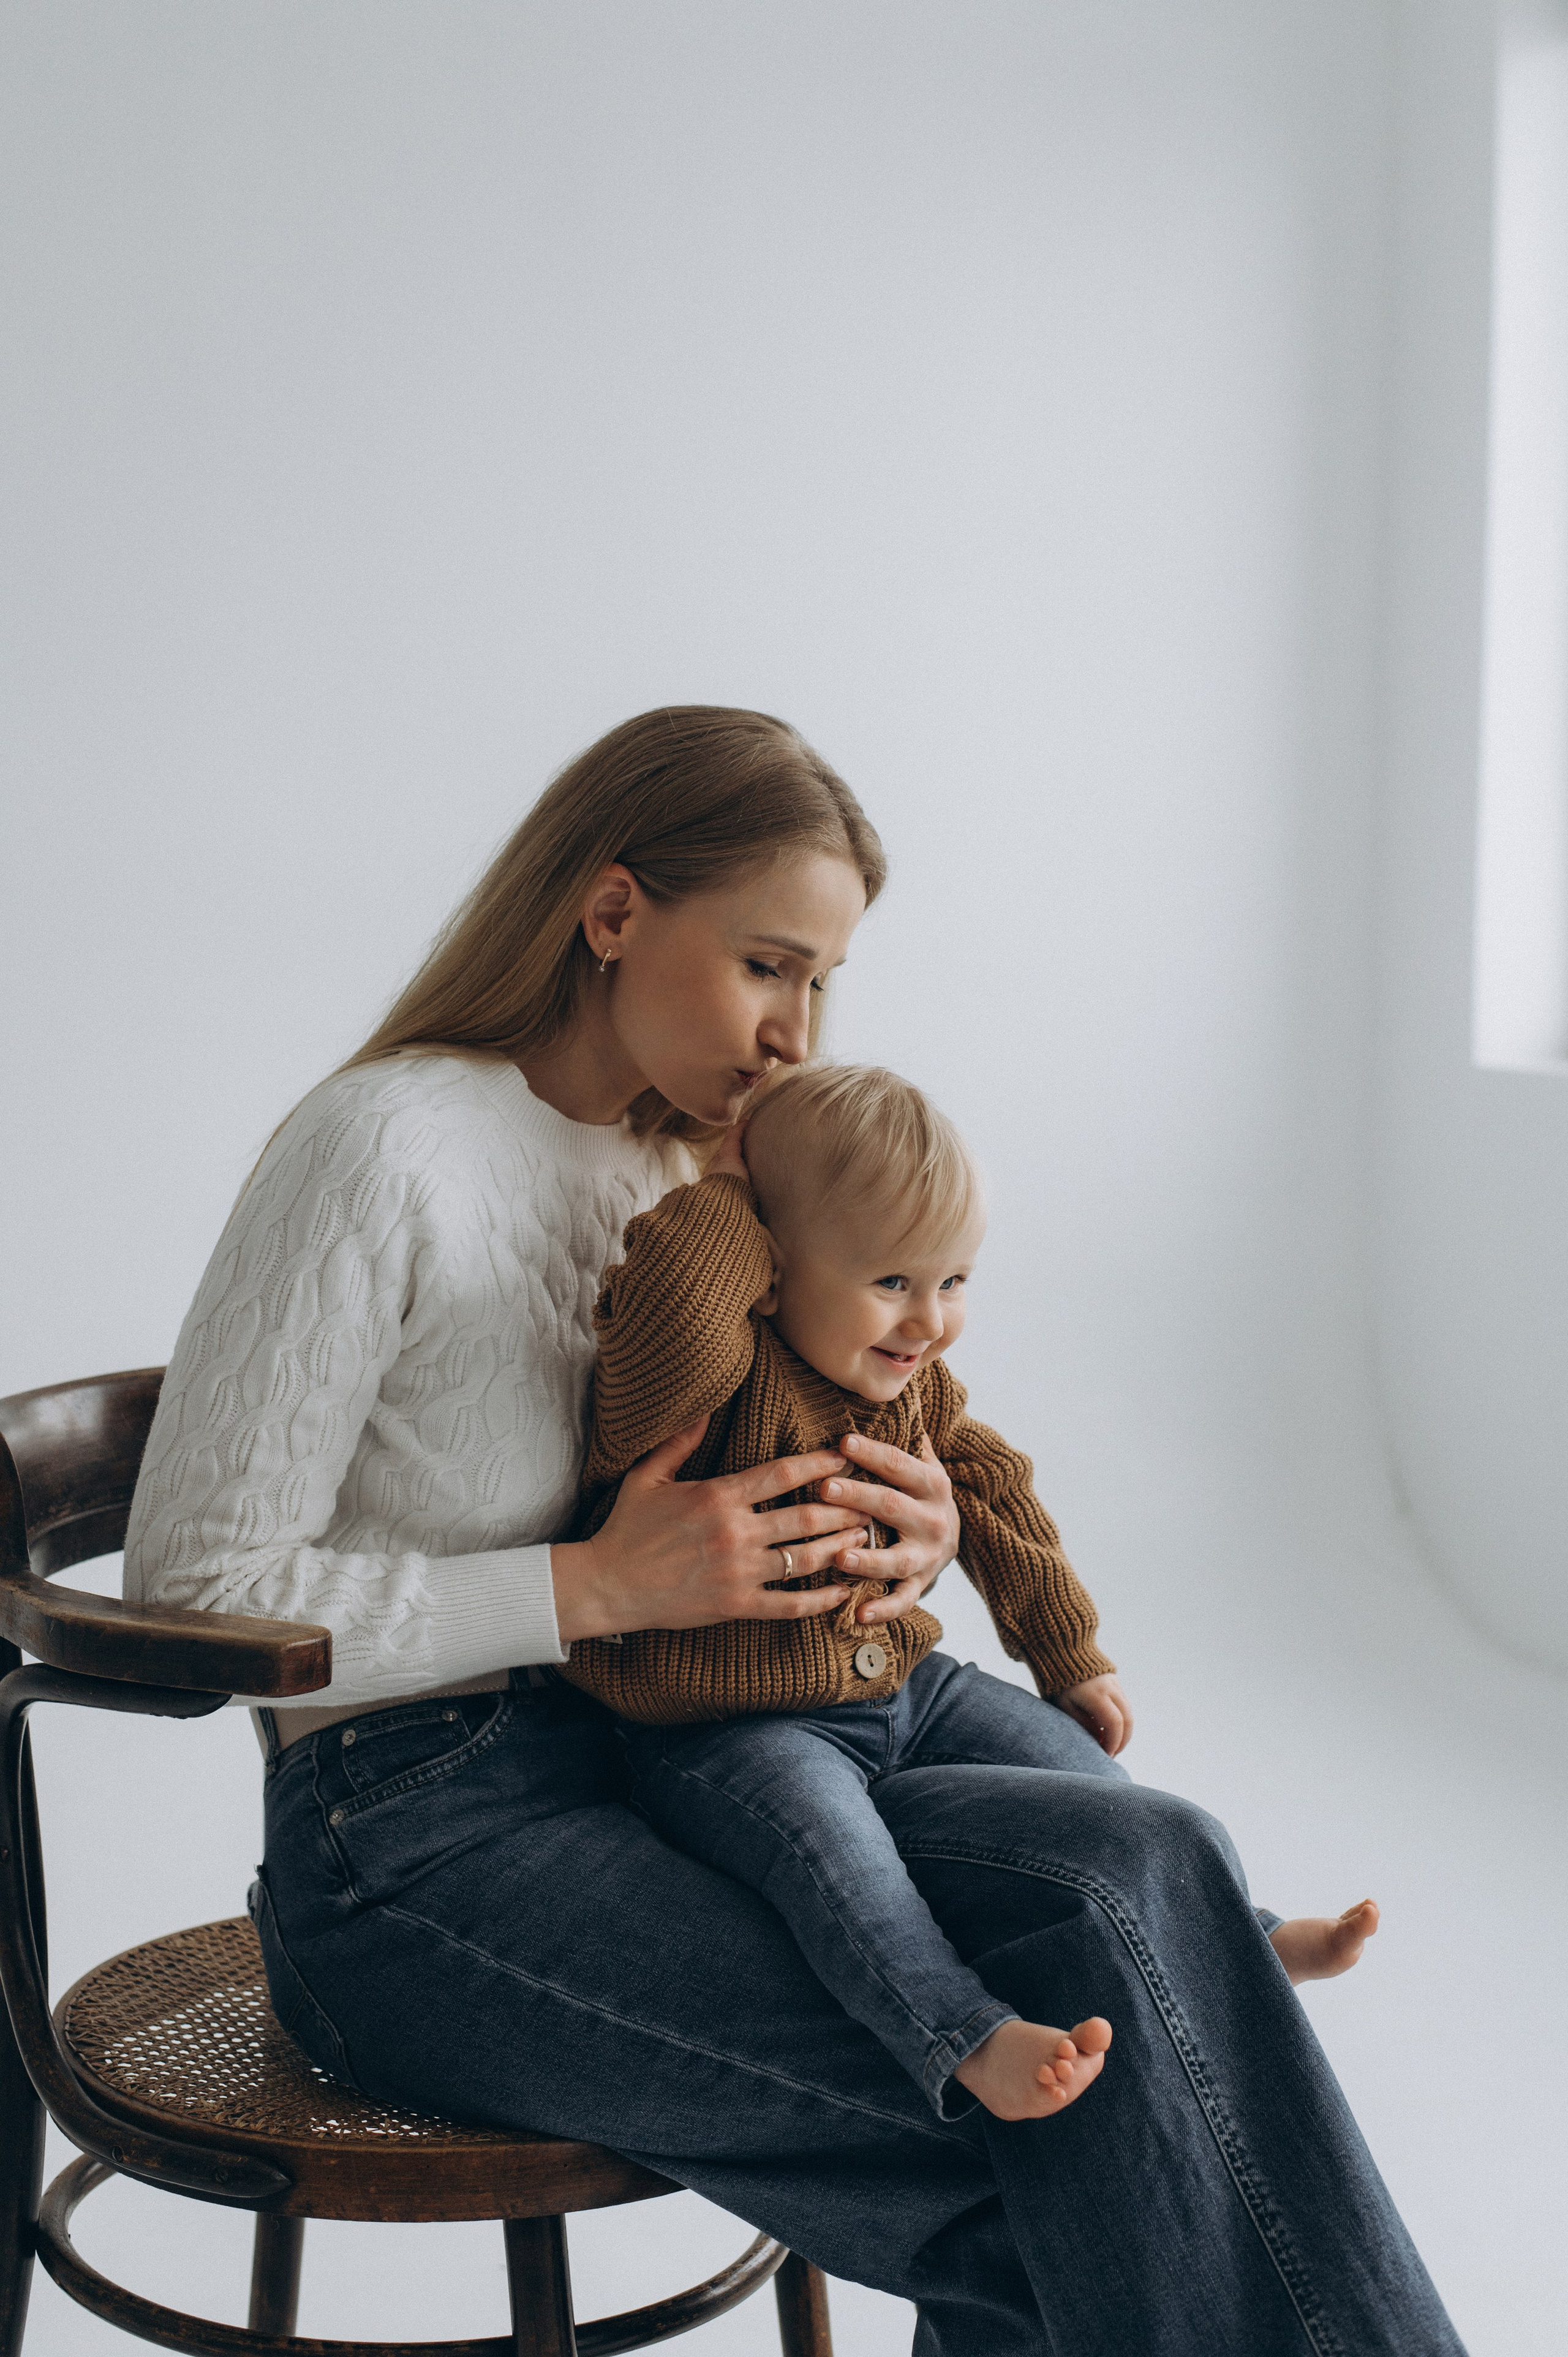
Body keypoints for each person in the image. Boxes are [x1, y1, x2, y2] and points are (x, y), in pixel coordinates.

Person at [124, 707, 1463, 2355]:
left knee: (1152, 1858)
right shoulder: (381, 1148)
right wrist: (588, 1586)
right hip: (412, 1837)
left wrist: (908, 1523)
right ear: (612, 912)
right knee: (1089, 2139)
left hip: (701, 1746)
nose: (795, 1031)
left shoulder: (700, 1174)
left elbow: (852, 1401)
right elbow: (190, 1593)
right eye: (767, 966)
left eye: (821, 982)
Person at [559, 1059, 1381, 2124]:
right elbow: (673, 1297)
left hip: (905, 1689)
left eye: (954, 1282)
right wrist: (729, 1187)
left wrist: (1066, 1653)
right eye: (892, 1283)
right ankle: (964, 2036)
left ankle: (1239, 1935)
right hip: (729, 1731)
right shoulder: (703, 1375)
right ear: (766, 1264)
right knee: (836, 1861)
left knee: (1084, 1774)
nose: (931, 1322)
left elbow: (994, 1494)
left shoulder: (913, 1385)